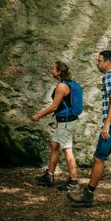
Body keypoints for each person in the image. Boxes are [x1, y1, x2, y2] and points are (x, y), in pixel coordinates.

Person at [67, 50, 111, 211]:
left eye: (99, 61)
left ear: (107, 62)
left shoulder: (110, 76)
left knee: (99, 158)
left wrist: (107, 124)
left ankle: (88, 195)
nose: (97, 64)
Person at [30, 61, 80, 191]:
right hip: (66, 121)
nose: (51, 70)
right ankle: (49, 175)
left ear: (58, 72)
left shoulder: (62, 86)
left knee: (67, 150)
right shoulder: (70, 83)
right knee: (54, 145)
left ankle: (74, 182)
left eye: (53, 69)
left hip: (66, 122)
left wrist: (38, 115)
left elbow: (54, 106)